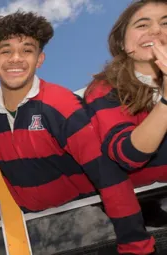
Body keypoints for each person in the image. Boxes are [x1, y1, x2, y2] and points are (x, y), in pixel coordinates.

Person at [0, 11, 155, 254]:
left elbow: (108, 175)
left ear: (40, 59)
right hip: (37, 232)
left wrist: (136, 246)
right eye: (6, 51)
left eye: (27, 50)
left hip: (90, 219)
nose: (15, 59)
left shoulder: (60, 104)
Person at [83, 0, 167, 227]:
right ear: (121, 42)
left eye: (165, 23)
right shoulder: (105, 87)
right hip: (138, 205)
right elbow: (128, 155)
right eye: (142, 25)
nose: (157, 30)